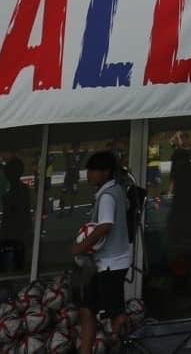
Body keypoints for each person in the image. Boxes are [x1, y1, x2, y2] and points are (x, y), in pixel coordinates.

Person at [73, 150, 134, 352]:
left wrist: (81, 247)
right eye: (88, 169)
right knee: (87, 309)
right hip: (108, 262)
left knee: (116, 314)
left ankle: (126, 345)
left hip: (111, 263)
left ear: (106, 172)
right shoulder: (116, 191)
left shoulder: (108, 196)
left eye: (93, 170)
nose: (89, 174)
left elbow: (105, 225)